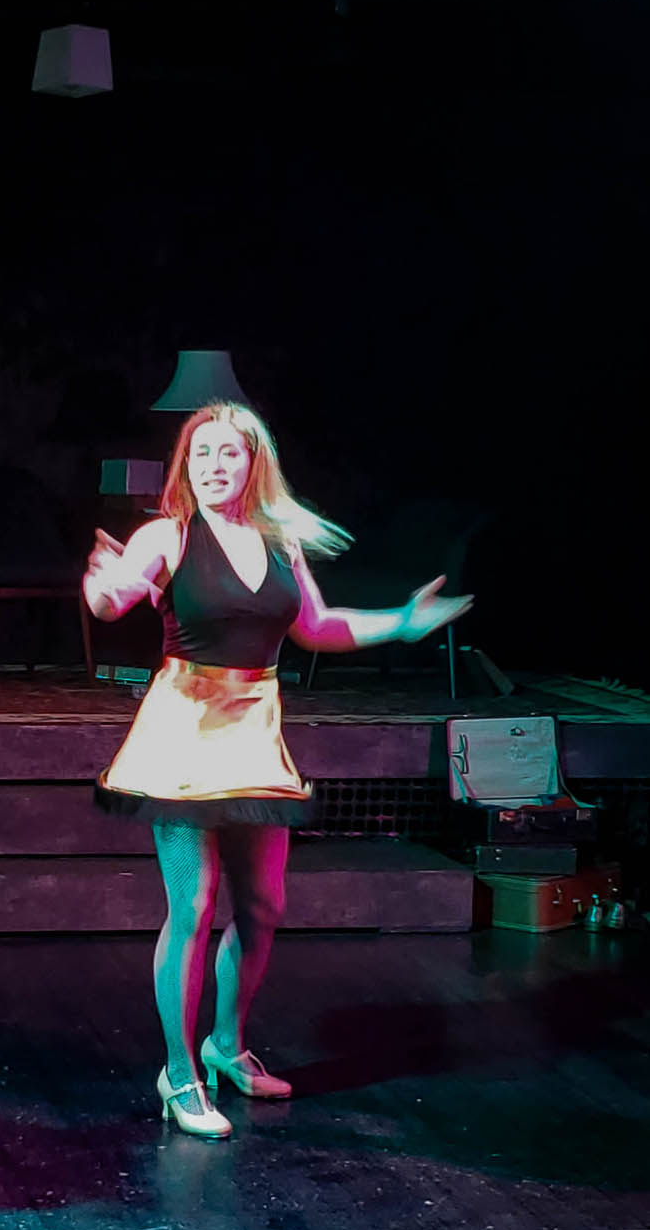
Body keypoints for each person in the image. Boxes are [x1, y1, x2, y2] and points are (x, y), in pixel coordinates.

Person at [82, 401, 472, 1139]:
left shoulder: (279, 542)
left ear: (253, 463)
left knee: (261, 908)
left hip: (254, 733)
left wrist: (401, 623)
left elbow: (316, 628)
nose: (213, 465)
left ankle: (225, 1046)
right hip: (183, 733)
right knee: (194, 907)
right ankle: (179, 1073)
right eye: (201, 453)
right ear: (186, 464)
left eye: (228, 452)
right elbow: (114, 599)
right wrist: (101, 587)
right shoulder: (167, 534)